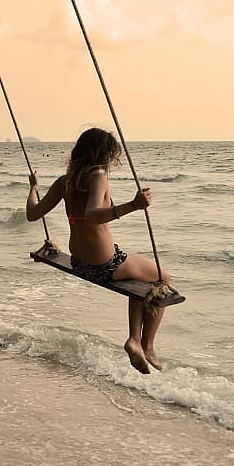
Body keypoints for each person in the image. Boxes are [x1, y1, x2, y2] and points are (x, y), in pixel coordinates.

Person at [25, 127, 169, 374]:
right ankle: (146, 344)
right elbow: (91, 215)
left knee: (139, 279)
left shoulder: (65, 181)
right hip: (105, 264)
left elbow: (32, 214)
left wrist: (33, 188)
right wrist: (133, 206)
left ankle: (135, 339)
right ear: (104, 154)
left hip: (79, 263)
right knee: (163, 278)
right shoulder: (98, 176)